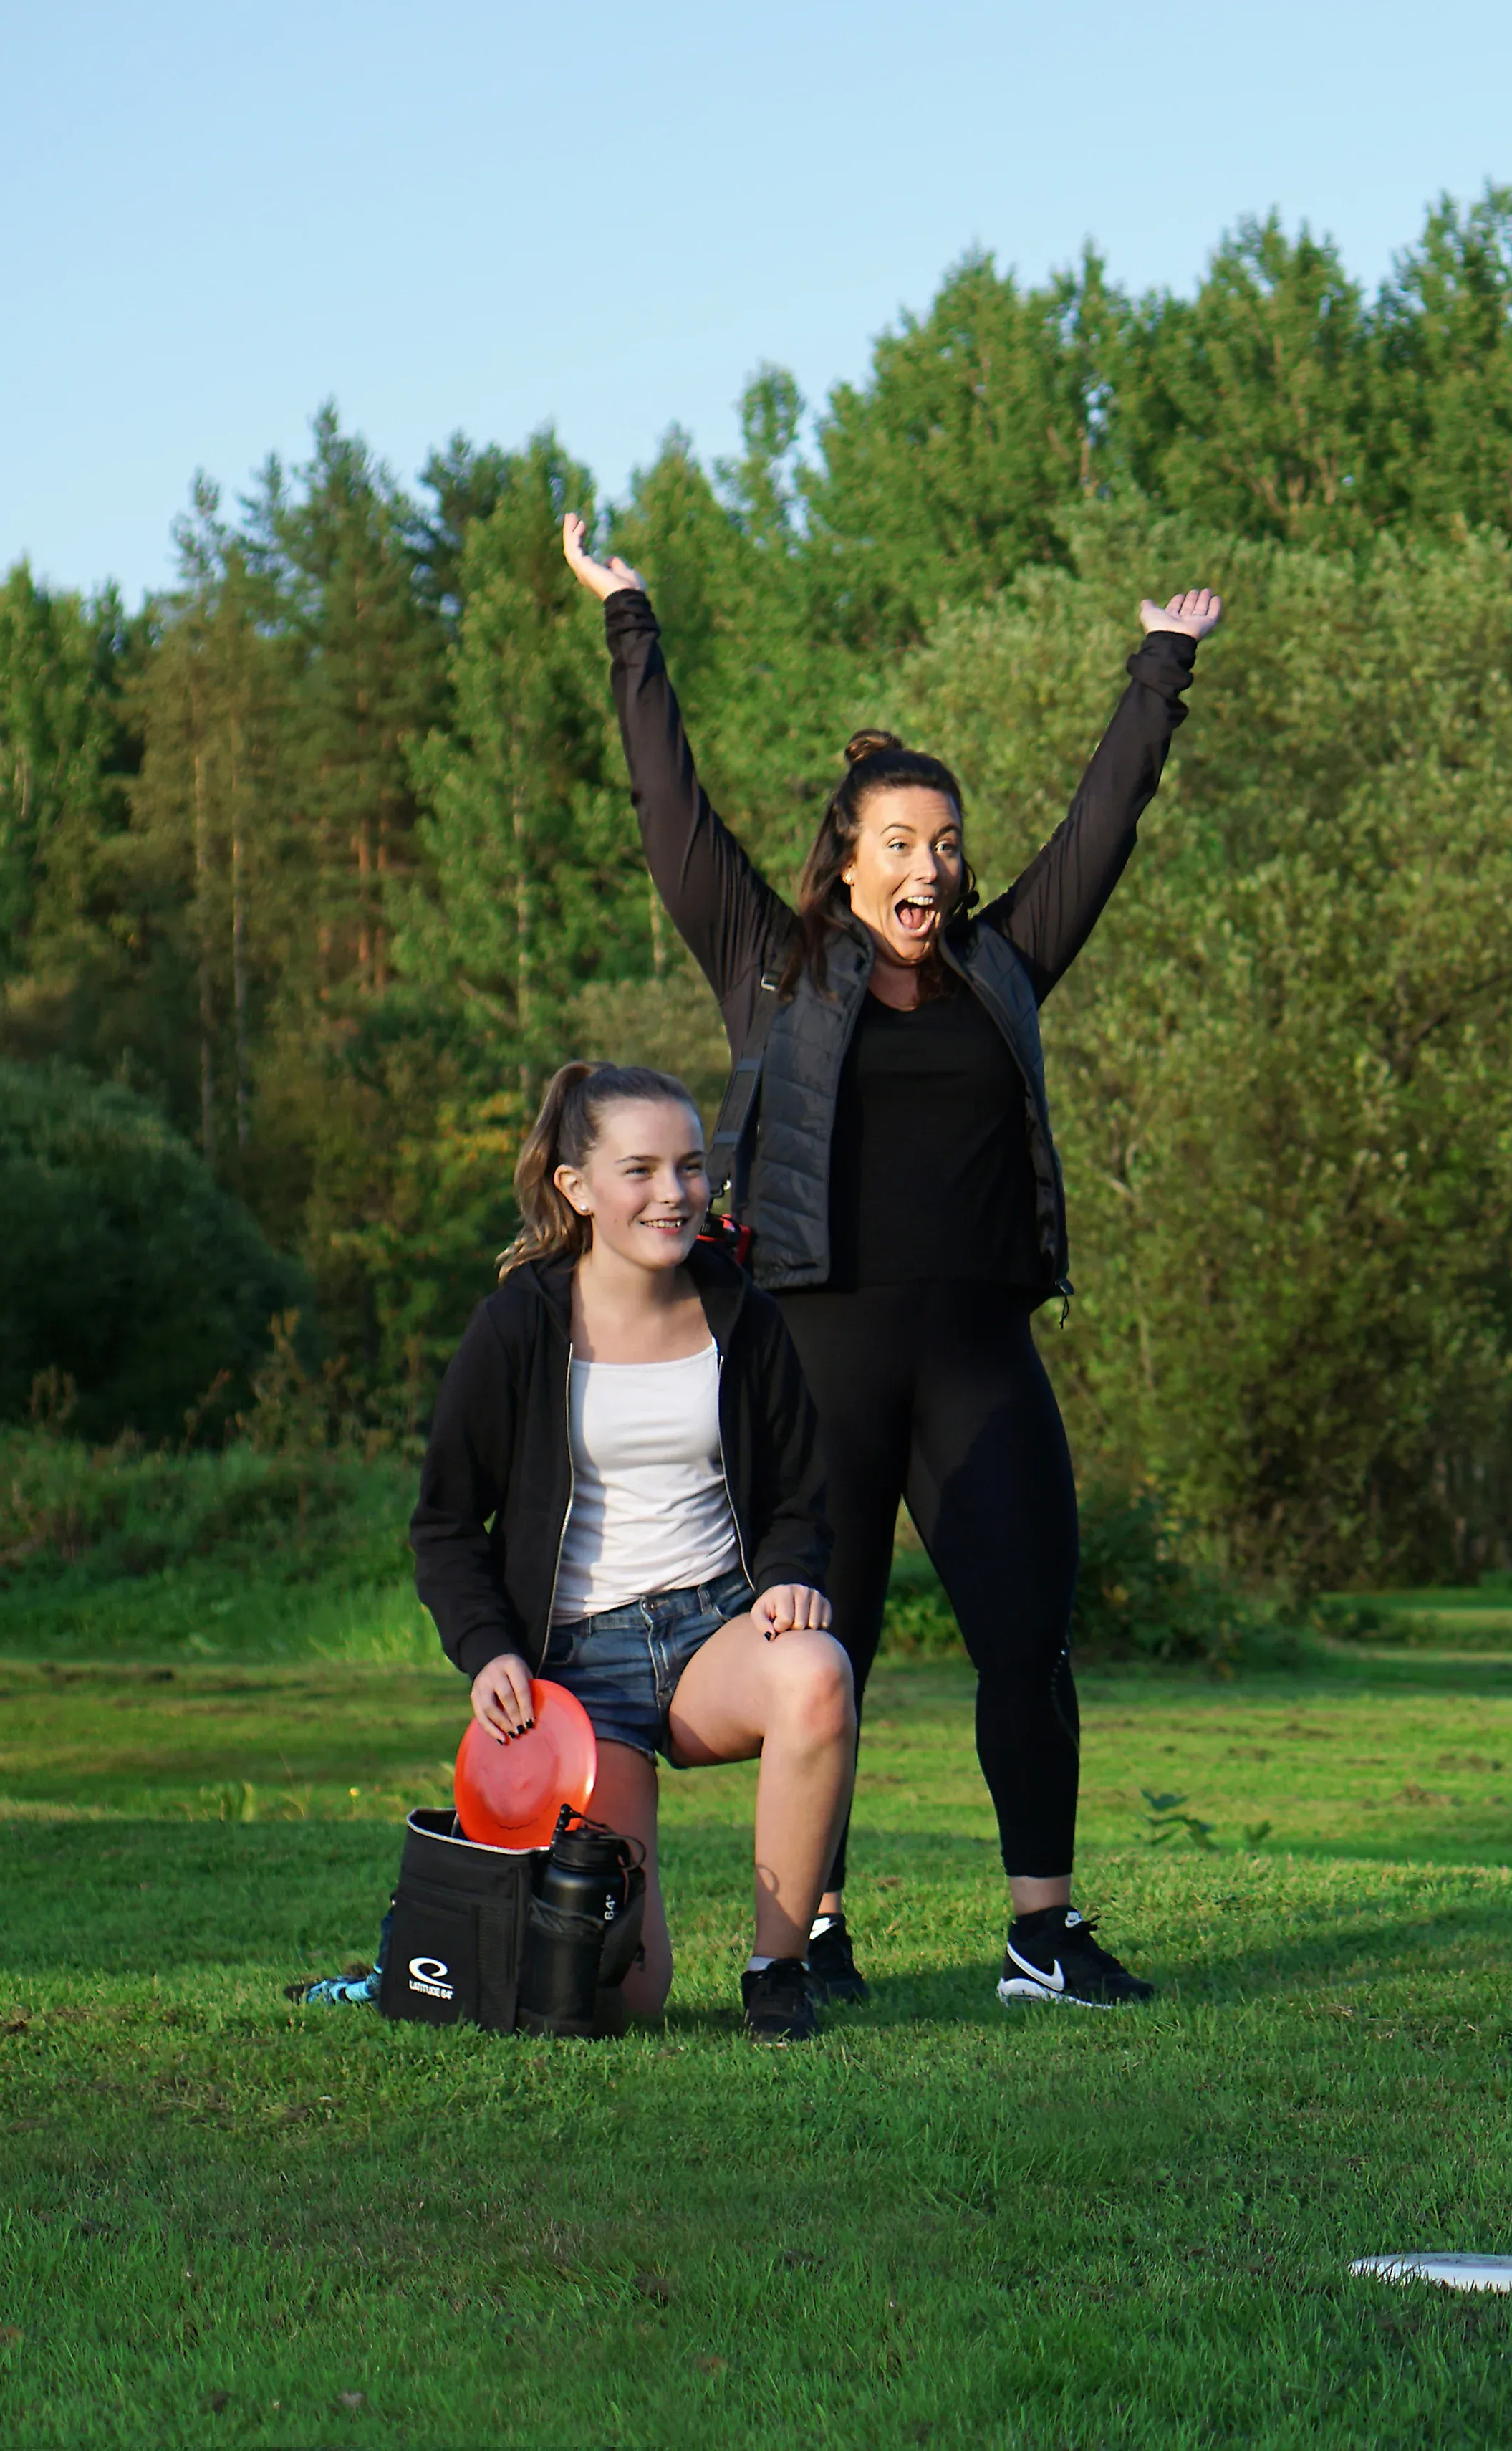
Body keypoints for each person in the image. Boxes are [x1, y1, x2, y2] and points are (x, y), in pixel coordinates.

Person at [560, 513, 1216, 2010]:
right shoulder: (769, 968)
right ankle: (819, 1931)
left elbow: (1100, 830)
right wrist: (631, 619)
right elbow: (671, 808)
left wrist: (1158, 670)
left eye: (948, 843)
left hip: (981, 1359)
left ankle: (1039, 1934)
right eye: (902, 844)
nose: (934, 866)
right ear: (848, 863)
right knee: (820, 1653)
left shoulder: (1001, 966)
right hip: (812, 1367)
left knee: (1024, 1639)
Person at [410, 1064, 849, 2043]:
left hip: (713, 1641)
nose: (673, 1194)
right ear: (577, 1188)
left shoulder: (747, 1314)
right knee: (624, 1999)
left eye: (691, 1169)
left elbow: (801, 1498)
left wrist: (787, 1579)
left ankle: (779, 1972)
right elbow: (444, 1525)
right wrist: (489, 1651)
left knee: (818, 1673)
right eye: (640, 1169)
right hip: (578, 1668)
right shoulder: (520, 1326)